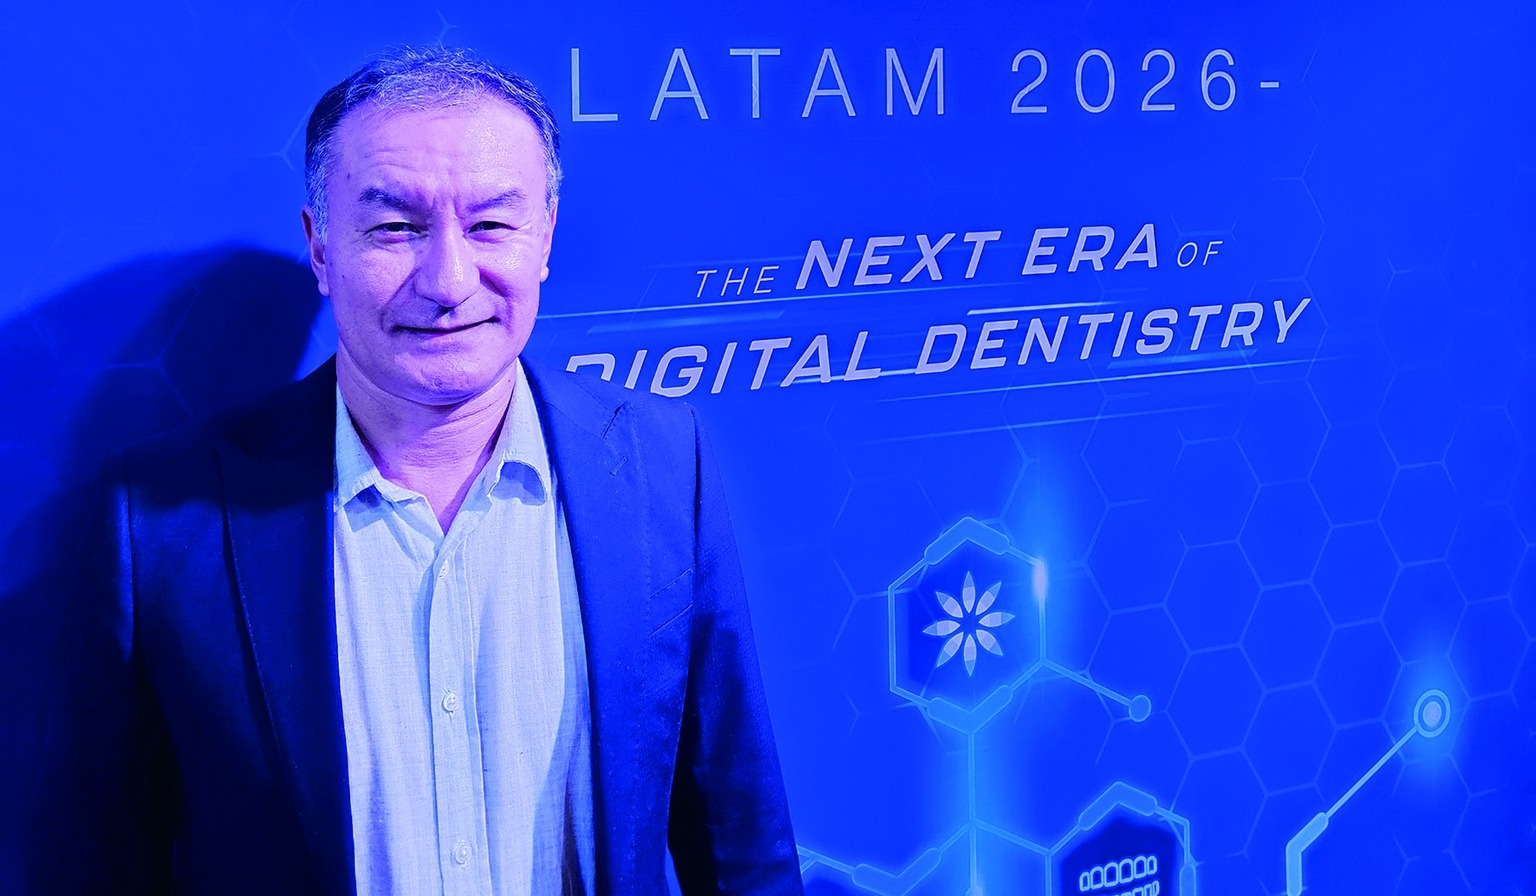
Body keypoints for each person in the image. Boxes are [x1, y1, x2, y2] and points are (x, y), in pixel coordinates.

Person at [14, 46, 801, 895]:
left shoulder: (662, 460)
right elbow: (90, 862)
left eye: (491, 225)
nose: (449, 281)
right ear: (321, 247)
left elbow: (739, 837)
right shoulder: (162, 522)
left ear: (545, 236)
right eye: (396, 229)